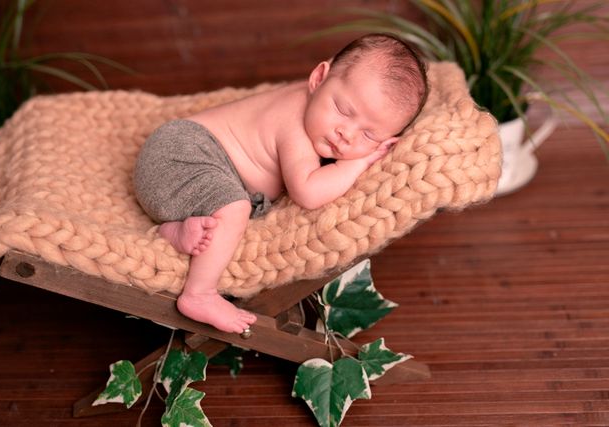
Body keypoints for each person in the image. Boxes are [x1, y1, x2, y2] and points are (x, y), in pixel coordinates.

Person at [133, 33, 429, 334]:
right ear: (318, 78)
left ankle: (175, 230)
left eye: (369, 135)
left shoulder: (320, 111)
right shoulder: (294, 121)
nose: (347, 134)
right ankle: (199, 294)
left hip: (176, 185)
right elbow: (308, 192)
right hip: (179, 155)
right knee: (235, 208)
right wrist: (357, 162)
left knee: (221, 210)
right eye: (343, 110)